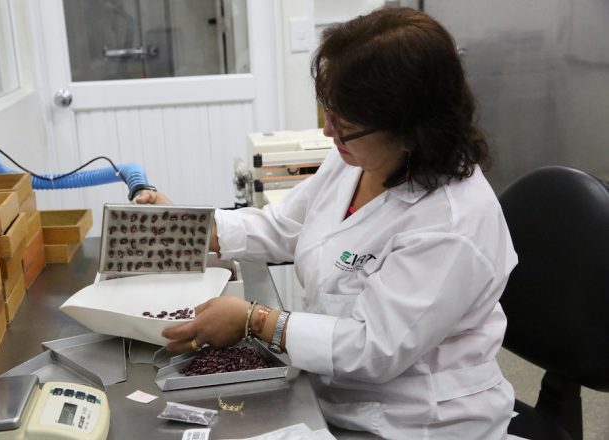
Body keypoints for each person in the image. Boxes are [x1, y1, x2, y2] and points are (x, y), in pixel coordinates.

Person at [135, 6, 517, 439]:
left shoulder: (453, 222)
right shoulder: (359, 161)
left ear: (413, 130)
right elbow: (284, 226)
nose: (328, 134)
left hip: (413, 420)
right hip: (332, 395)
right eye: (328, 115)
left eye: (345, 125)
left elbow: (374, 349)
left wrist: (255, 321)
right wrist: (190, 227)